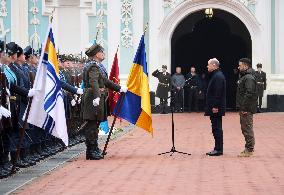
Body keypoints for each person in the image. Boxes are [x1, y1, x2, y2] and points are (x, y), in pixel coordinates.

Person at [82, 44, 127, 160]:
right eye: (102, 52)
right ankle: (91, 151)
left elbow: (104, 81)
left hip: (95, 97)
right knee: (91, 125)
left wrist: (119, 88)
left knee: (95, 124)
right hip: (93, 98)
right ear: (97, 54)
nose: (103, 54)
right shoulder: (93, 66)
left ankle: (94, 148)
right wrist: (97, 96)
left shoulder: (95, 65)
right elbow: (93, 82)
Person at [205, 58, 226, 156]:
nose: (207, 66)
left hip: (216, 108)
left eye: (208, 65)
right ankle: (217, 148)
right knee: (216, 128)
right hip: (215, 107)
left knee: (216, 128)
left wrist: (215, 106)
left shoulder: (217, 76)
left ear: (214, 65)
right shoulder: (217, 75)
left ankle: (218, 149)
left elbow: (218, 93)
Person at [237, 58, 258, 157]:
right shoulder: (246, 76)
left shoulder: (248, 77)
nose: (238, 67)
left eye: (240, 65)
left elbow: (249, 93)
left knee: (247, 128)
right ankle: (248, 148)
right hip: (245, 107)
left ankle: (249, 150)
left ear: (245, 66)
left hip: (247, 108)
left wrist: (244, 108)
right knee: (245, 128)